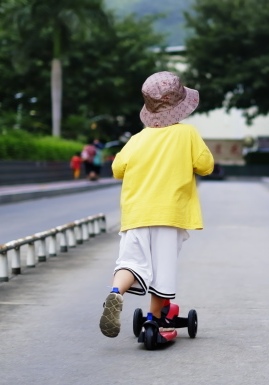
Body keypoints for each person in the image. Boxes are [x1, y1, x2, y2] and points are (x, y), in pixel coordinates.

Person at [99, 71, 214, 338]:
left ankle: (115, 293)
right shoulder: (187, 134)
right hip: (169, 213)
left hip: (136, 214)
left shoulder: (137, 139)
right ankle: (156, 320)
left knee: (130, 262)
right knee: (161, 270)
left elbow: (117, 169)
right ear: (179, 106)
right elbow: (206, 166)